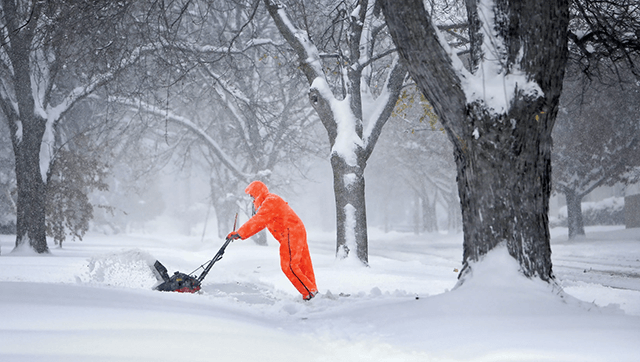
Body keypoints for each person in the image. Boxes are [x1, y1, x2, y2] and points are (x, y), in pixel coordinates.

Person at [227, 181, 318, 301]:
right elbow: (260, 224)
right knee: (303, 265)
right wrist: (240, 234)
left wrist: (240, 233)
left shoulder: (270, 201)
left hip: (291, 233)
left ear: (258, 193)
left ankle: (310, 293)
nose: (252, 199)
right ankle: (314, 293)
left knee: (289, 266)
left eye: (252, 195)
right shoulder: (269, 203)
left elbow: (258, 220)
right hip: (296, 231)